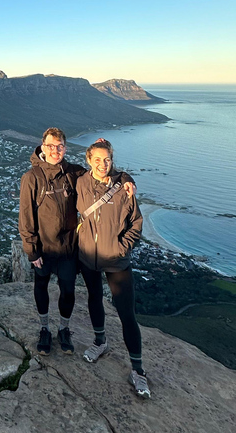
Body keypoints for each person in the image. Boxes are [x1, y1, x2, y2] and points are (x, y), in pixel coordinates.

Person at [18, 128, 134, 356]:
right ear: (43, 147)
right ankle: (44, 329)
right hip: (44, 248)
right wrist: (32, 251)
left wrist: (126, 178)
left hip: (69, 249)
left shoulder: (73, 173)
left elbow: (102, 172)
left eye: (60, 146)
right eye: (51, 146)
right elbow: (26, 216)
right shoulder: (31, 177)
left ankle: (64, 329)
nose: (55, 150)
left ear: (65, 148)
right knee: (41, 287)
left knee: (68, 291)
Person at [76, 139, 150, 398]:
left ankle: (138, 370)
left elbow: (136, 223)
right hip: (88, 257)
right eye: (97, 159)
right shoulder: (81, 181)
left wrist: (122, 247)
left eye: (106, 159)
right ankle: (100, 342)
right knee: (94, 299)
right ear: (88, 160)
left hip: (117, 259)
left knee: (126, 313)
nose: (102, 164)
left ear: (112, 159)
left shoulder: (123, 188)